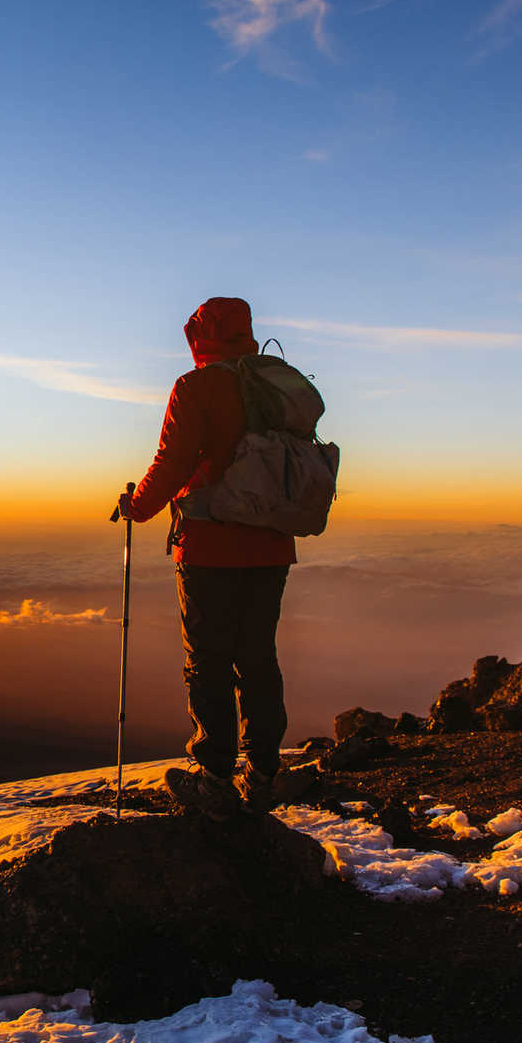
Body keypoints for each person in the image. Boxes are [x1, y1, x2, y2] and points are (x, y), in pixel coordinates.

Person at [115, 297, 294, 818]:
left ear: (201, 336)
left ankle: (214, 775)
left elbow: (173, 460)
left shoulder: (196, 387)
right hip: (272, 542)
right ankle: (263, 772)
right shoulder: (273, 383)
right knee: (258, 657)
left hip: (210, 545)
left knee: (209, 660)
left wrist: (137, 506)